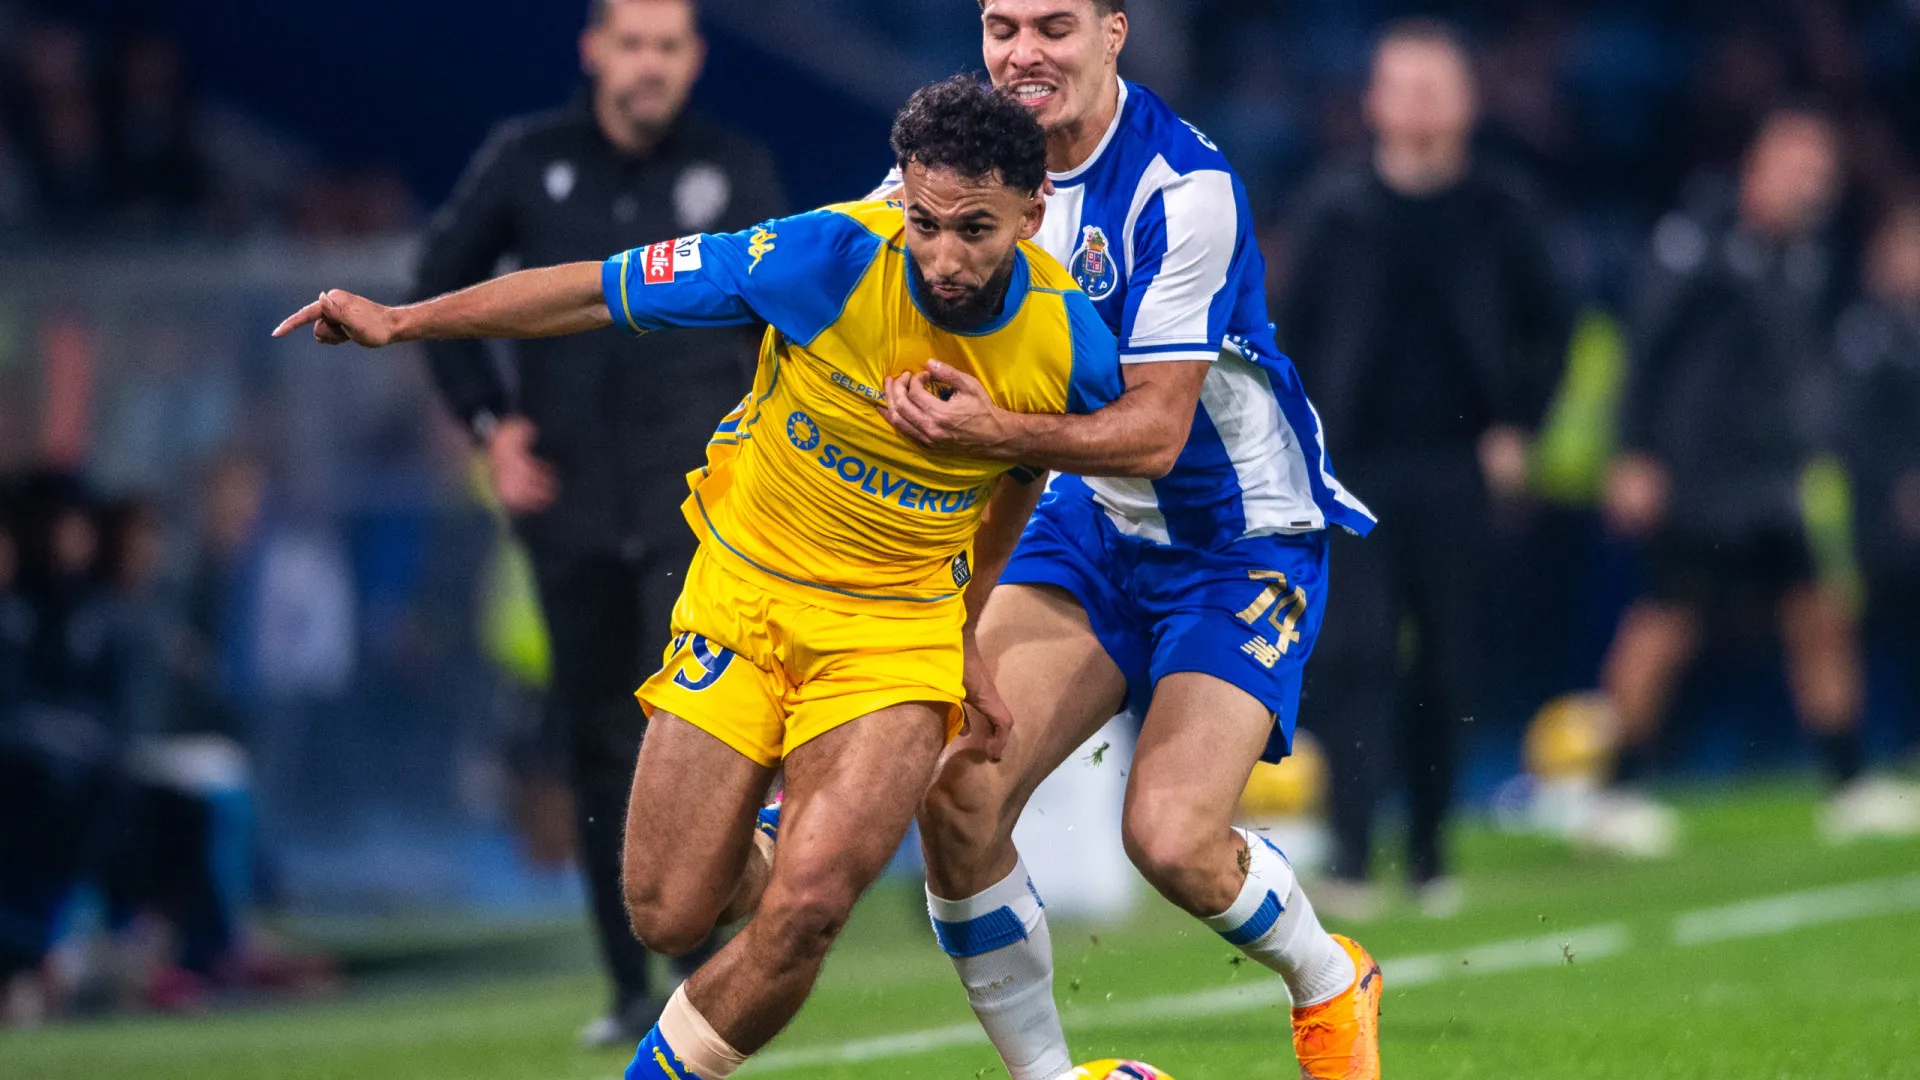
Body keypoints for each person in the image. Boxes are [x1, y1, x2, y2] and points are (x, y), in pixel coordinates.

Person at [276, 77, 1123, 1080]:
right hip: (745, 597)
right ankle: (772, 829)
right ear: (902, 197)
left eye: (974, 230)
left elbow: (1018, 481)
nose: (942, 256)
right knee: (669, 910)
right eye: (926, 223)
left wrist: (966, 633)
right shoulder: (825, 256)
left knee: (809, 908)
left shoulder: (1073, 349)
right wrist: (404, 323)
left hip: (894, 633)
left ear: (1032, 216)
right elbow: (597, 288)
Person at [871, 3, 1382, 1077]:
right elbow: (832, 266)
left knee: (1171, 839)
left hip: (1234, 536)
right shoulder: (959, 182)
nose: (1022, 53)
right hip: (1089, 521)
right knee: (958, 794)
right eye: (1001, 25)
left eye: (1053, 25)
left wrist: (988, 429)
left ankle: (1332, 982)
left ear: (1114, 32)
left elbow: (1154, 433)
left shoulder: (1181, 189)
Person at [413, 0, 784, 1044]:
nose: (649, 64)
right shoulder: (529, 162)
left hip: (701, 508)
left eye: (668, 46)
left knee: (699, 724)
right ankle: (629, 986)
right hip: (567, 505)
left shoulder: (735, 169)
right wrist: (491, 425)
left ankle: (702, 960)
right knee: (594, 740)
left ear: (694, 59)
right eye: (632, 44)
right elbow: (438, 281)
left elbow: (786, 319)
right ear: (594, 52)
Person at [1279, 18, 1574, 915]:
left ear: (1468, 102)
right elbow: (1286, 335)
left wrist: (1519, 423)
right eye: (1401, 85)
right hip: (1353, 466)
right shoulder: (1334, 208)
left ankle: (1433, 849)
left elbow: (1554, 328)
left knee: (1448, 660)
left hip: (1457, 468)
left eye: (1435, 86)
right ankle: (1356, 854)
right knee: (1354, 656)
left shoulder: (1503, 209)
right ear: (1371, 101)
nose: (1417, 103)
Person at [1594, 105, 1910, 850]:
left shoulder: (1806, 257)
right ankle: (1613, 792)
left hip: (1774, 476)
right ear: (1757, 166)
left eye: (1820, 170)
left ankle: (1848, 782)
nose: (1811, 182)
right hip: (1698, 474)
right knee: (1665, 624)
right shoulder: (1695, 240)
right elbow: (1642, 349)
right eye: (1798, 165)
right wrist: (1633, 454)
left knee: (1819, 616)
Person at [1830, 204, 1920, 831]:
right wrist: (1899, 483)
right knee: (1837, 630)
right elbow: (1849, 428)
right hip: (1867, 516)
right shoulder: (1865, 330)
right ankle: (1851, 770)